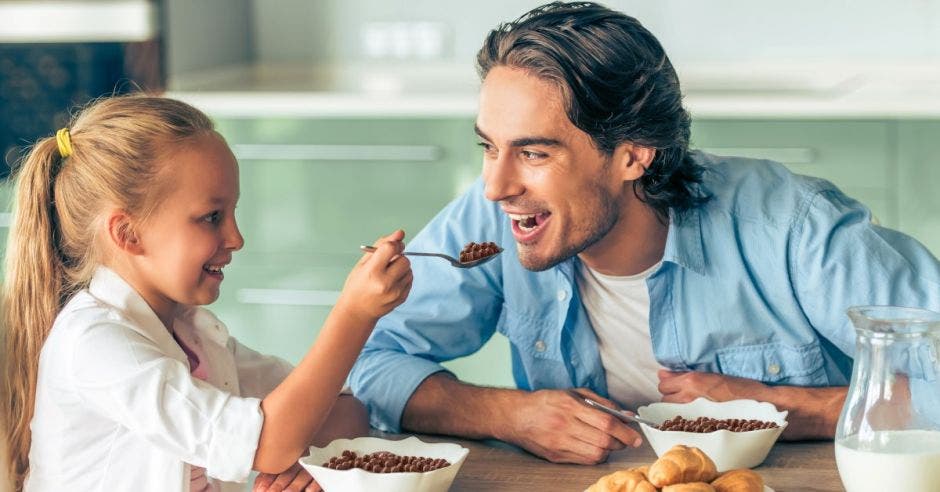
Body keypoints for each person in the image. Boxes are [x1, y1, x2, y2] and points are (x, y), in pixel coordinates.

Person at [349, 1, 940, 465]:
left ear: (633, 156)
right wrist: (505, 414)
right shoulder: (492, 220)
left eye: (533, 152)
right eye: (488, 146)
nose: (496, 185)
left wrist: (788, 409)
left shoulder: (794, 227)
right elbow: (372, 364)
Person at [0, 95, 413, 491]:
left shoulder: (192, 333)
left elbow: (343, 409)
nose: (236, 237)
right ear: (127, 233)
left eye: (232, 213)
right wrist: (354, 314)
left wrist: (313, 464)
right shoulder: (97, 344)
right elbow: (269, 444)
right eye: (212, 217)